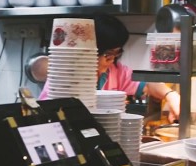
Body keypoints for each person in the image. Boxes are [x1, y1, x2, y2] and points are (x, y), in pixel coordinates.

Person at [38, 13, 181, 122]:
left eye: (116, 53)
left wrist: (170, 95)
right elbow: (47, 116)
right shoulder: (64, 79)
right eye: (107, 53)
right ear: (90, 50)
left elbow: (148, 85)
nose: (111, 59)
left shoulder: (116, 71)